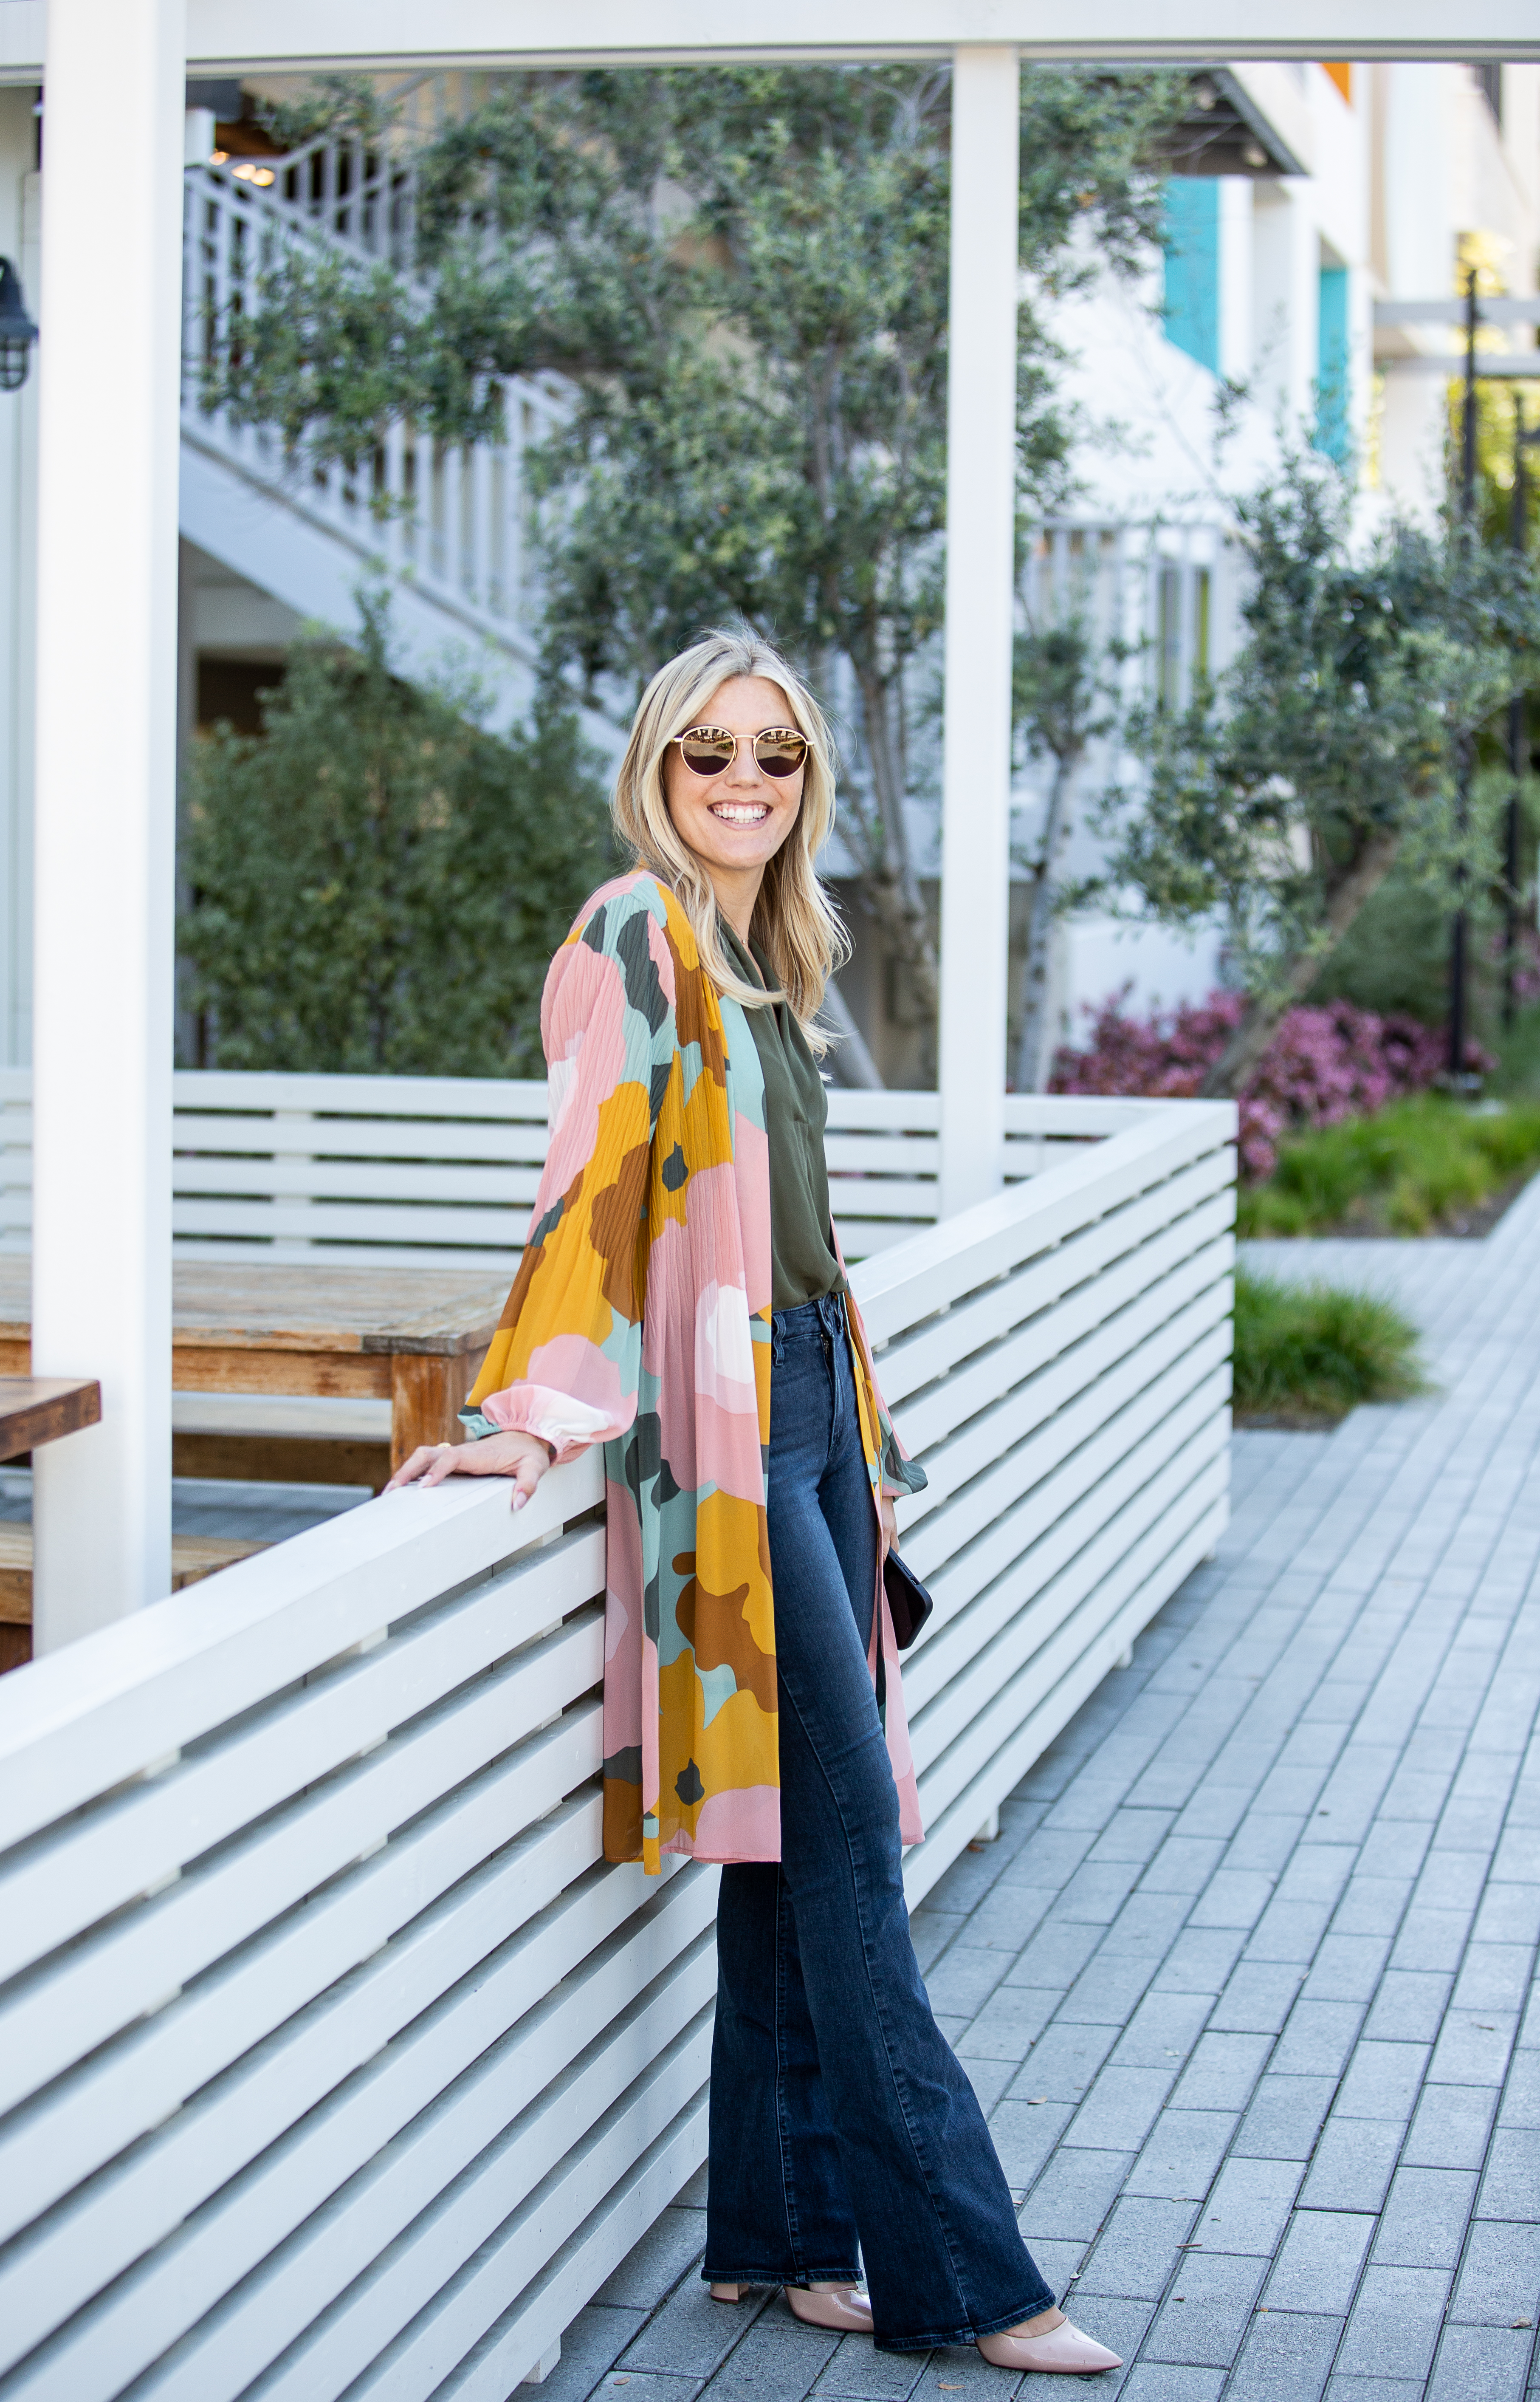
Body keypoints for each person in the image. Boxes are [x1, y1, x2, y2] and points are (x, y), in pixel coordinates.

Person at [387, 630, 1120, 2376]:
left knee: (798, 1842)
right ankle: (966, 2275)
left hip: (810, 1415)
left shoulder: (760, 950)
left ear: (803, 784)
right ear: (659, 761)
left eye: (775, 755)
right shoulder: (630, 930)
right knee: (855, 1849)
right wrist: (531, 1411)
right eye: (710, 749)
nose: (743, 779)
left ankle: (775, 2236)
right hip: (727, 1440)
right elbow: (590, 1194)